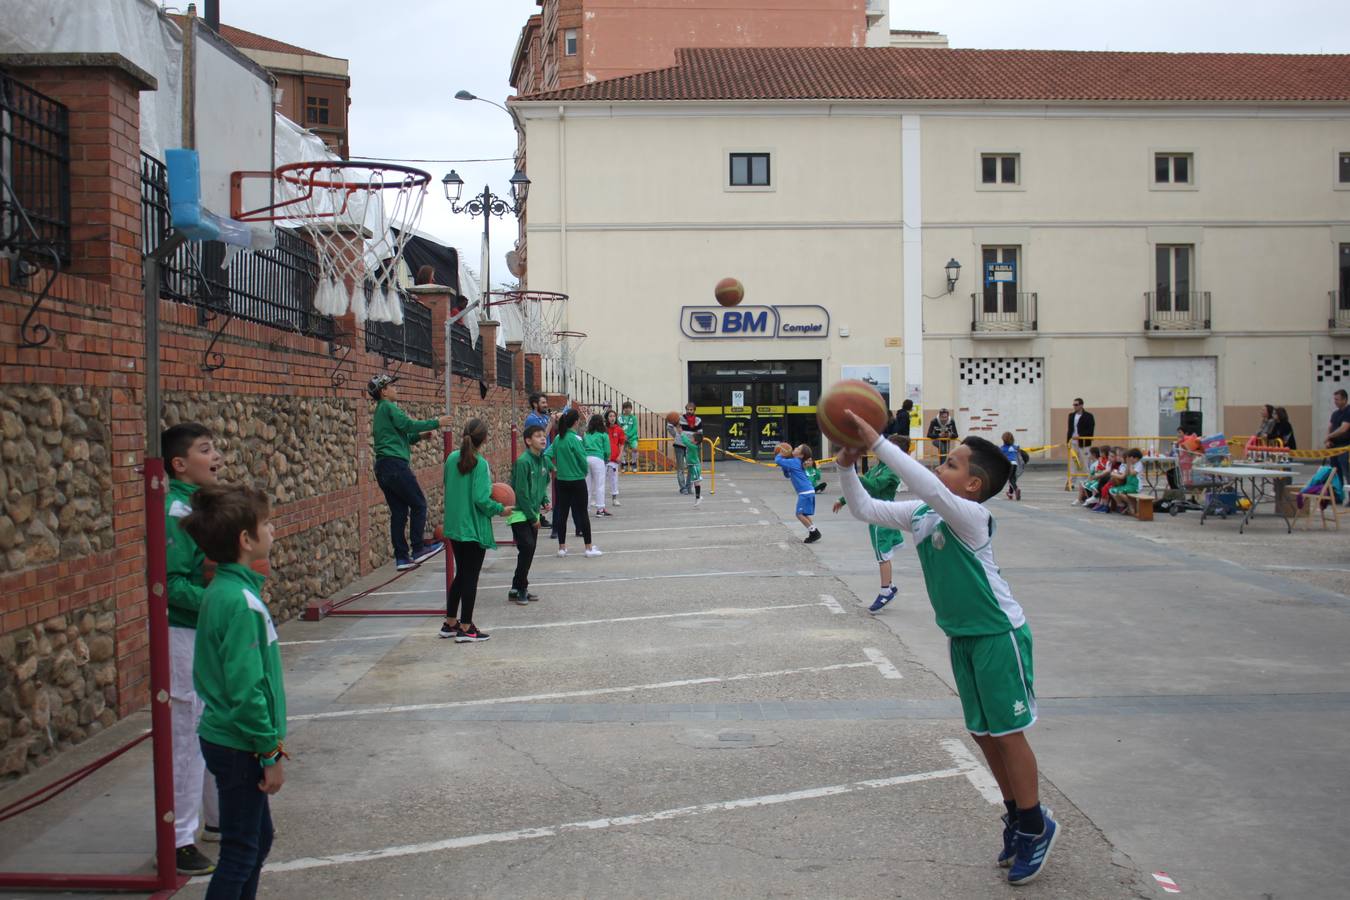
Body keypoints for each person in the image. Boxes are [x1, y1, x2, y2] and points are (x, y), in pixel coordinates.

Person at [835, 412, 1058, 886]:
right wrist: (846, 467)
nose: (941, 467)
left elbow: (930, 487)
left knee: (1009, 733)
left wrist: (877, 441)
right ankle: (1016, 815)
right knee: (983, 733)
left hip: (999, 635)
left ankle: (1037, 824)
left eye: (952, 464)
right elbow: (865, 510)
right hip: (963, 639)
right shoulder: (923, 514)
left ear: (974, 484)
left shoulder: (973, 517)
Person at [181, 484, 286, 900]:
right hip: (241, 743)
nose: (272, 529)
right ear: (246, 540)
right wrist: (269, 752)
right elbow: (247, 692)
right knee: (241, 852)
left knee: (256, 841)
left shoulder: (221, 591)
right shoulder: (241, 603)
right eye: (265, 524)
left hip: (230, 739)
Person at [161, 423, 222, 876]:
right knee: (185, 731)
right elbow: (172, 584)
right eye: (205, 449)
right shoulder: (175, 512)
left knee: (209, 719)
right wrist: (225, 604)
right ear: (180, 464)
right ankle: (180, 838)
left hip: (200, 630)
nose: (216, 454)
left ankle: (216, 816)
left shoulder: (197, 504)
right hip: (181, 633)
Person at [369, 374, 451, 571]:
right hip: (395, 465)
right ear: (383, 391)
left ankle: (402, 557)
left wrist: (420, 436)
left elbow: (402, 436)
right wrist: (436, 422)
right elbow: (407, 425)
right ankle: (418, 548)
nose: (395, 389)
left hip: (383, 467)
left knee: (399, 512)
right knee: (419, 504)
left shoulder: (381, 412)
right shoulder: (388, 407)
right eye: (391, 386)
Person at [440, 419, 511, 642]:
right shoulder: (480, 464)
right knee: (470, 577)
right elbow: (481, 498)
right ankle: (467, 628)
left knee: (461, 574)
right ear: (486, 439)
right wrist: (500, 509)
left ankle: (450, 623)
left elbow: (447, 485)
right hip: (472, 527)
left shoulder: (451, 459)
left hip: (454, 526)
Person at [832, 434, 909, 612]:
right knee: (883, 554)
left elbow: (873, 486)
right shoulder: (879, 467)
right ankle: (889, 585)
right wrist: (843, 500)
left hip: (884, 516)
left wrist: (853, 472)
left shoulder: (892, 472)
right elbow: (862, 487)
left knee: (883, 556)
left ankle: (885, 591)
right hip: (876, 515)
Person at [547, 409, 602, 558]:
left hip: (562, 480)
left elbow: (546, 455)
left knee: (562, 514)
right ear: (576, 422)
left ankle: (562, 548)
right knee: (582, 513)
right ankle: (588, 548)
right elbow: (582, 459)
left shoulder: (558, 438)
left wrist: (554, 468)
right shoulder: (576, 439)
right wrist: (583, 472)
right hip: (577, 480)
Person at [508, 424, 550, 605]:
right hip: (519, 513)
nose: (542, 438)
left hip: (533, 511)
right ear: (528, 441)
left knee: (528, 551)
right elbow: (521, 492)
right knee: (527, 547)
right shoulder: (523, 462)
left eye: (543, 435)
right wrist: (533, 518)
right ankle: (522, 588)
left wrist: (545, 500)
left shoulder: (543, 460)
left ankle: (516, 587)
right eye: (537, 436)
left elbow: (542, 484)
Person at [775, 443, 821, 543]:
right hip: (807, 491)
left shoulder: (795, 461)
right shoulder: (794, 462)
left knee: (799, 514)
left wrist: (780, 453)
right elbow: (787, 475)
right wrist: (784, 466)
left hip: (805, 492)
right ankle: (813, 531)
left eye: (798, 448)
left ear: (801, 455)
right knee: (803, 513)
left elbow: (777, 460)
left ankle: (814, 533)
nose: (795, 448)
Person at [524, 393, 554, 530]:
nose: (546, 405)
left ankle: (541, 515)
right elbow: (542, 436)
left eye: (546, 402)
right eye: (543, 402)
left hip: (544, 455)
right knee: (534, 487)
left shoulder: (544, 417)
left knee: (543, 485)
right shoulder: (531, 419)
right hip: (535, 456)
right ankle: (535, 516)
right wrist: (551, 423)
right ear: (535, 404)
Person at [584, 413, 612, 517]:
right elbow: (607, 450)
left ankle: (585, 509)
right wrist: (606, 458)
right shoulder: (603, 434)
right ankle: (600, 509)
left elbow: (582, 446)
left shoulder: (586, 434)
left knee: (587, 486)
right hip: (598, 459)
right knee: (600, 485)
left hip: (586, 458)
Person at [1325, 389, 1350, 495]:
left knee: (1347, 472)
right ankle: (1338, 495)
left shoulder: (1348, 412)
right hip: (1334, 448)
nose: (1335, 401)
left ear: (1344, 399)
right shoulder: (1335, 414)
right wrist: (1328, 440)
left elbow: (1344, 428)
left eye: (1337, 399)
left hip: (1345, 447)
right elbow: (1330, 427)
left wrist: (1329, 436)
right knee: (1335, 473)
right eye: (1334, 399)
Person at [1104, 448, 1143, 514]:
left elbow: (1132, 473)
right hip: (1129, 485)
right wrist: (1128, 465)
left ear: (1136, 458)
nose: (1130, 460)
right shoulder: (1129, 464)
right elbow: (1127, 473)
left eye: (1131, 458)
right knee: (1112, 490)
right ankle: (1121, 505)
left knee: (1119, 492)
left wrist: (1129, 465)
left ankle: (1130, 505)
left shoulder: (1139, 464)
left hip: (1136, 486)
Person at [675, 403, 703, 494]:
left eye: (691, 410)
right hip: (679, 445)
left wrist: (697, 444)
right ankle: (683, 488)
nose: (689, 411)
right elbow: (669, 426)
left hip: (690, 446)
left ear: (694, 410)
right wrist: (676, 436)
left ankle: (688, 487)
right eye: (687, 409)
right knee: (680, 468)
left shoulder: (698, 420)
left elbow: (700, 434)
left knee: (691, 467)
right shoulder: (680, 418)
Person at [605, 408, 626, 508]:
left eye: (613, 416)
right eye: (610, 416)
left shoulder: (619, 429)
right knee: (599, 479)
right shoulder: (603, 429)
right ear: (607, 418)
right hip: (604, 458)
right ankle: (595, 499)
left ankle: (614, 499)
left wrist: (620, 455)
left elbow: (622, 444)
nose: (612, 418)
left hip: (614, 458)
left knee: (614, 479)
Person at [680, 429, 704, 507]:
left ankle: (698, 498)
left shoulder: (693, 446)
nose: (690, 439)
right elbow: (687, 440)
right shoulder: (693, 444)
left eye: (692, 439)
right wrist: (682, 433)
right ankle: (698, 497)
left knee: (696, 482)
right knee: (695, 482)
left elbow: (685, 442)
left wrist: (682, 434)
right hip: (692, 466)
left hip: (695, 467)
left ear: (696, 441)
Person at [999, 431, 1024, 501]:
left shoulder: (1002, 448)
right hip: (1015, 464)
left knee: (1010, 480)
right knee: (1012, 479)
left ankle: (1016, 489)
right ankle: (1010, 494)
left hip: (1008, 465)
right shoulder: (1015, 447)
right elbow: (1019, 453)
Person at [619, 401, 640, 472]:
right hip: (622, 437)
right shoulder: (620, 418)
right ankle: (623, 463)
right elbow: (619, 427)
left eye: (629, 408)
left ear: (631, 409)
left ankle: (633, 463)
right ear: (623, 409)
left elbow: (635, 428)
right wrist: (623, 436)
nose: (627, 409)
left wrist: (628, 435)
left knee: (635, 448)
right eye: (625, 408)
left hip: (632, 437)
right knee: (621, 450)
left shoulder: (633, 418)